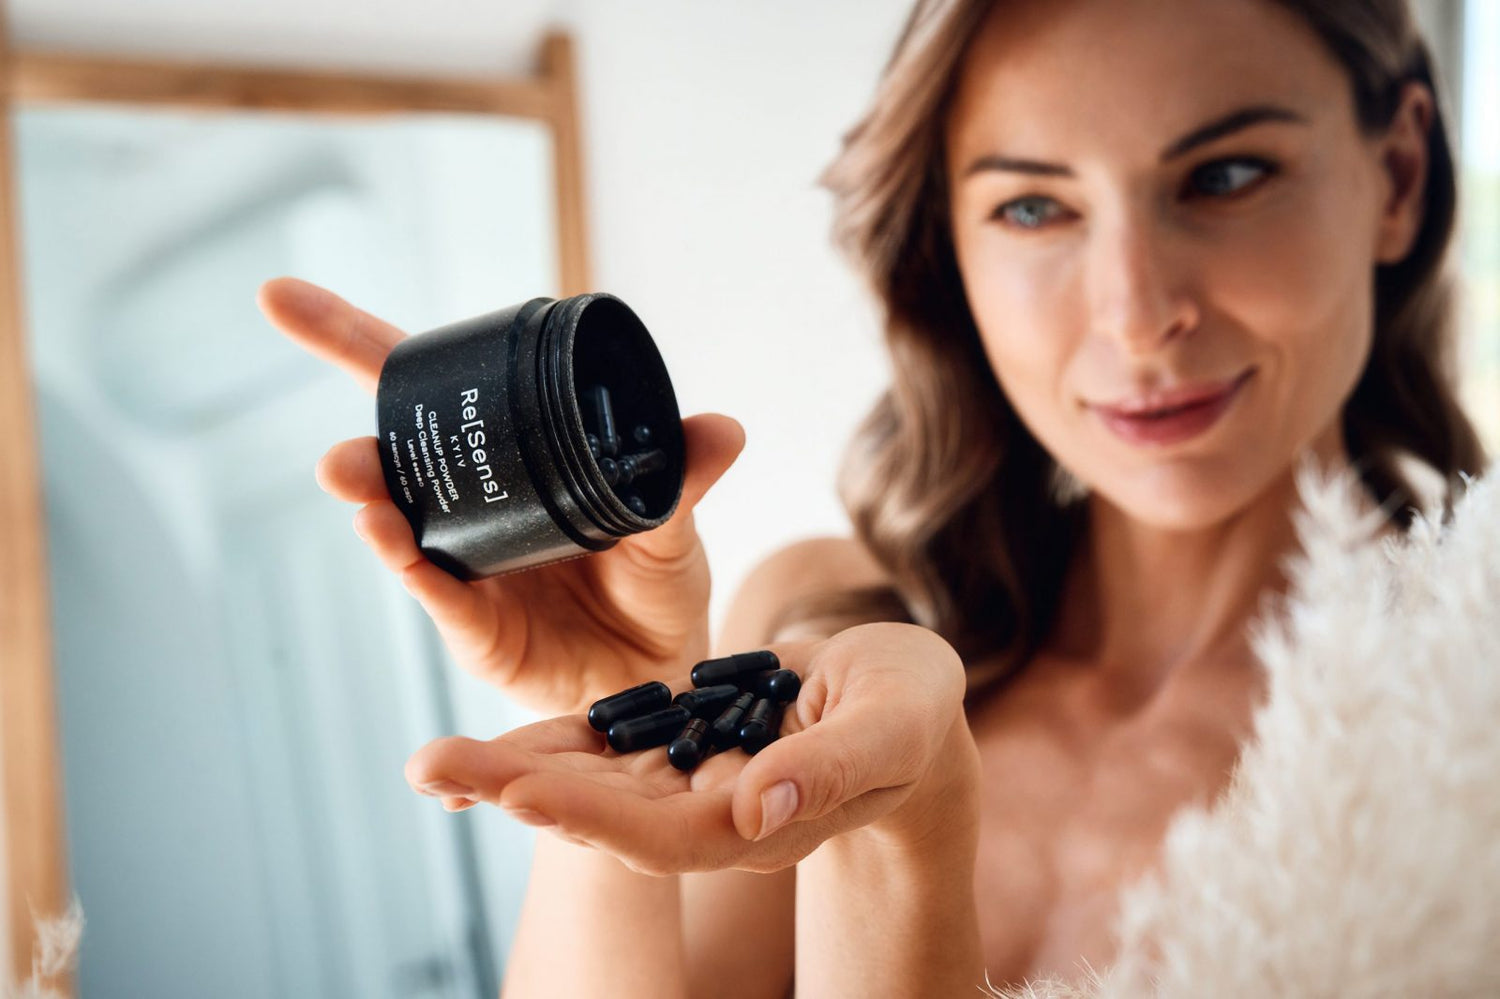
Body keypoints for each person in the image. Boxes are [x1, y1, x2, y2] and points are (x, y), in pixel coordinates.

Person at [257, 0, 1489, 993]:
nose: (1135, 312)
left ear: (1395, 176)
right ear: (952, 250)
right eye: (1033, 206)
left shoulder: (1461, 735)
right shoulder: (823, 625)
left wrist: (907, 833)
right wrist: (605, 712)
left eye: (1226, 176)